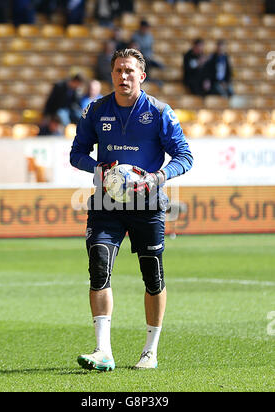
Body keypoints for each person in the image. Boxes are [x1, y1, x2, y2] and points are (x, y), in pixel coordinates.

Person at [70, 48, 193, 371]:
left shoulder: (159, 112)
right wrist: (99, 171)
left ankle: (150, 351)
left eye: (129, 71)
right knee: (99, 264)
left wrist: (158, 176)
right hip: (107, 202)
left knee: (152, 275)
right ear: (111, 75)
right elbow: (77, 153)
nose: (123, 77)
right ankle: (103, 351)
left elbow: (185, 155)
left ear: (142, 76)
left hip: (147, 203)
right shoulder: (96, 110)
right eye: (118, 71)